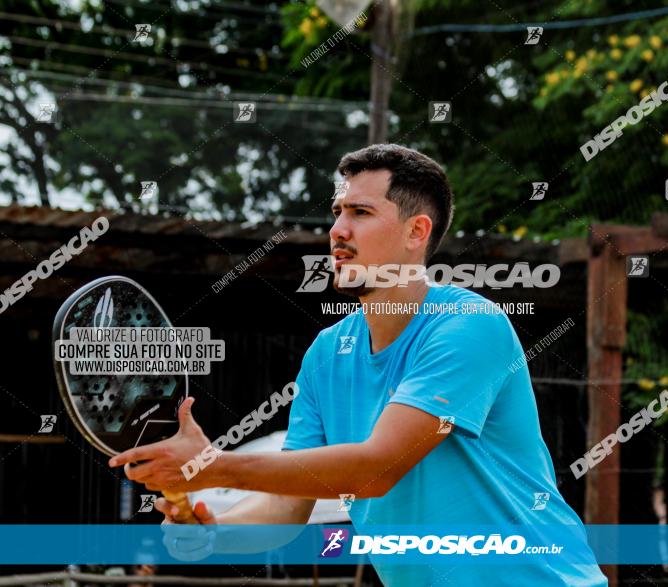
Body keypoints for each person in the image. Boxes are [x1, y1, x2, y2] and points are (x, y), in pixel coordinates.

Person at [110, 144, 607, 586]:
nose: (337, 231)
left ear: (417, 232)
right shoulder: (327, 355)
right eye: (336, 211)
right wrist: (214, 533)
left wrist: (212, 467)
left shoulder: (469, 325)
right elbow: (287, 507)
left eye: (360, 212)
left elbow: (376, 469)